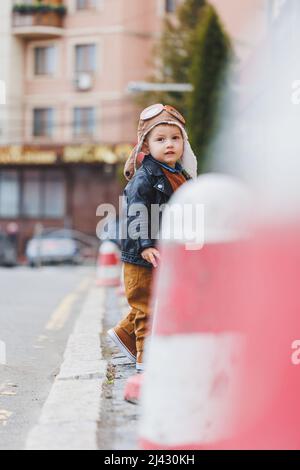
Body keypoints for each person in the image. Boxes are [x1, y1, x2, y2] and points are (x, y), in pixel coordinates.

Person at [108, 104, 198, 371]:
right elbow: (136, 213)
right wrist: (145, 244)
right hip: (141, 255)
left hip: (163, 251)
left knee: (149, 302)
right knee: (146, 305)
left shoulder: (181, 175)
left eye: (175, 138)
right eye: (160, 139)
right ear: (145, 146)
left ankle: (123, 335)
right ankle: (145, 359)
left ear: (184, 141)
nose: (169, 144)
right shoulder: (145, 178)